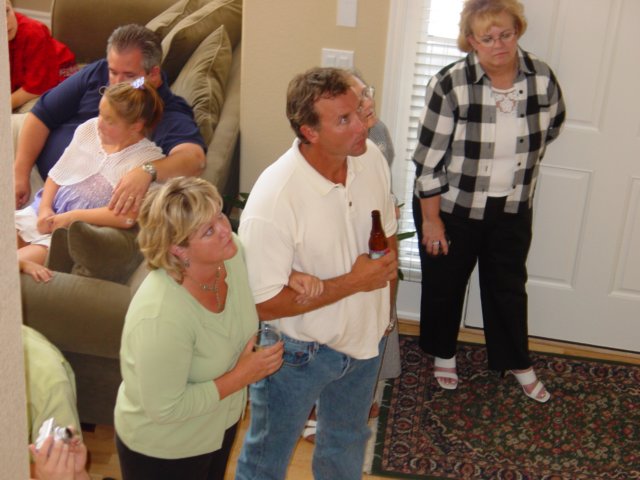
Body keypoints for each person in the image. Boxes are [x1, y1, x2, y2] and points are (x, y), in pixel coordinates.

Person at [236, 67, 398, 480]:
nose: (362, 125)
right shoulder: (275, 198)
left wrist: (383, 318)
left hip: (364, 342)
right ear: (309, 132)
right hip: (296, 354)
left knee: (345, 445)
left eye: (357, 111)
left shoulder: (370, 159)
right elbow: (263, 303)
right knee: (265, 461)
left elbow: (388, 241)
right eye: (344, 119)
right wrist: (354, 283)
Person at [411, 0, 565, 402]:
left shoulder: (541, 78)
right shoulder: (450, 84)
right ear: (471, 41)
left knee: (508, 287)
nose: (499, 45)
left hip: (512, 206)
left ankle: (516, 361)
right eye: (487, 37)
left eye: (506, 34)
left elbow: (552, 126)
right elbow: (428, 161)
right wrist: (431, 221)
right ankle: (443, 352)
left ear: (518, 31)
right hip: (450, 207)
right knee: (445, 285)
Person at [113, 177, 284, 480]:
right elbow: (165, 409)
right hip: (165, 450)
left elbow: (258, 280)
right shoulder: (160, 316)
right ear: (178, 249)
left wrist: (290, 277)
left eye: (219, 215)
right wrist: (242, 376)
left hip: (217, 427)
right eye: (208, 231)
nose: (225, 229)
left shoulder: (230, 256)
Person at [301, 71, 401, 443]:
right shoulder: (325, 146)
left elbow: (378, 187)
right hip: (337, 240)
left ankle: (358, 397)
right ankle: (316, 406)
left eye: (367, 94)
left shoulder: (378, 136)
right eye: (357, 103)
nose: (367, 105)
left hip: (370, 227)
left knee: (370, 321)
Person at [13, 23, 205, 214]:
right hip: (28, 153)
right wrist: (20, 173)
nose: (117, 83)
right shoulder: (99, 71)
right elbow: (41, 114)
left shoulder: (166, 112)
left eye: (129, 75)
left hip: (58, 193)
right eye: (113, 72)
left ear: (153, 74)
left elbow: (195, 159)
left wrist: (146, 170)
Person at [16, 79, 164, 281]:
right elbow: (58, 173)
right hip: (43, 212)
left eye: (109, 120)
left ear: (136, 126)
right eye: (100, 113)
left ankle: (20, 262)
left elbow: (127, 216)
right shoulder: (89, 129)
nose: (99, 123)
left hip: (66, 236)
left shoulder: (146, 161)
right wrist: (44, 209)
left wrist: (72, 217)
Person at [6, 0, 77, 112]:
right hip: (20, 81)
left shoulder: (33, 32)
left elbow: (37, 86)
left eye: (7, 11)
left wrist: (4, 105)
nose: (6, 22)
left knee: (36, 113)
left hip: (54, 75)